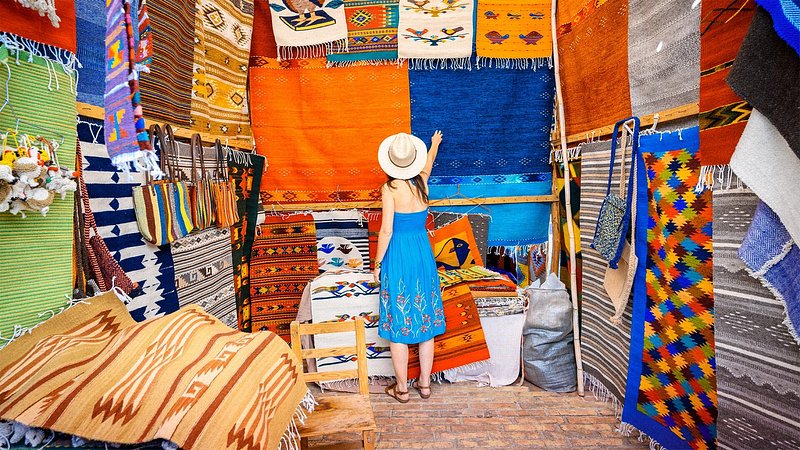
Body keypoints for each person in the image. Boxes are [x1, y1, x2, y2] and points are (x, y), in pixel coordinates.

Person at [374, 130, 445, 403]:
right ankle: (425, 385)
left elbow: (387, 231)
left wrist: (377, 264)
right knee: (425, 317)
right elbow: (427, 166)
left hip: (399, 254)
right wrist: (434, 145)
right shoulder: (422, 184)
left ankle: (402, 388)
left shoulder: (389, 188)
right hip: (422, 254)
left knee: (399, 320)